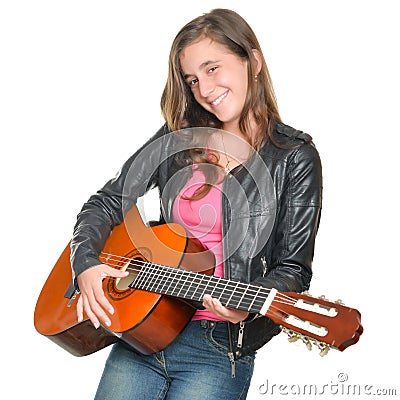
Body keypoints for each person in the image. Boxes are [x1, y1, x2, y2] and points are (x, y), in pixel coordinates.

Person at [70, 8, 322, 399]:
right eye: (192, 79)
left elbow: (293, 267)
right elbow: (108, 202)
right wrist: (85, 262)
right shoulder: (178, 138)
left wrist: (248, 305)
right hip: (144, 326)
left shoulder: (294, 156)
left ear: (252, 61)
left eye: (212, 69)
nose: (203, 89)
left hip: (219, 349)